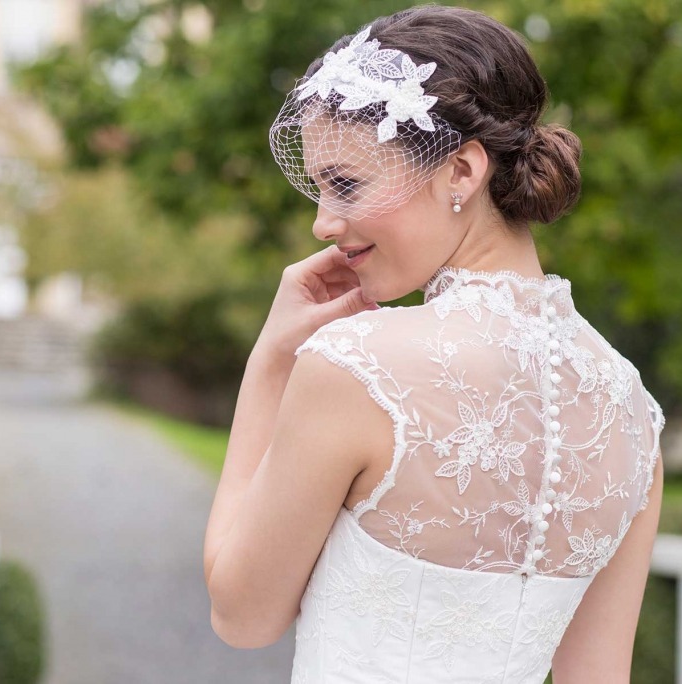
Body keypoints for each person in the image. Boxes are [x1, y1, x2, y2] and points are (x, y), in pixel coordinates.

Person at [203, 6, 665, 682]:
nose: (322, 223)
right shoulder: (631, 409)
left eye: (347, 184)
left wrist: (270, 363)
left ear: (461, 172)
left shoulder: (357, 367)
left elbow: (241, 616)